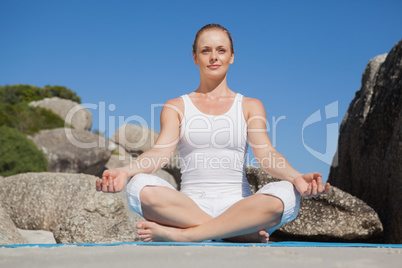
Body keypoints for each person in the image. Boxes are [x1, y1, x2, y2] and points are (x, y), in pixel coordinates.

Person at [96, 23, 330, 243]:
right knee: (140, 185)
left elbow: (266, 154)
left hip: (240, 207)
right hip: (189, 208)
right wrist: (125, 172)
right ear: (195, 57)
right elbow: (160, 153)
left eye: (221, 50)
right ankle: (233, 232)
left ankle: (187, 236)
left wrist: (296, 177)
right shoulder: (176, 106)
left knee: (287, 192)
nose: (214, 57)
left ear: (232, 56)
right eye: (205, 50)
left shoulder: (250, 105)